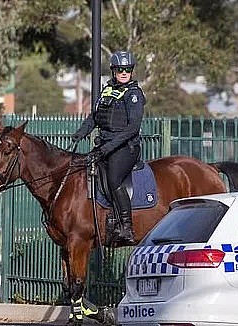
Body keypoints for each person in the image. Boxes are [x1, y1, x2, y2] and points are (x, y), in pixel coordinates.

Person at [70, 50, 145, 245]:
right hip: (105, 145)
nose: (123, 73)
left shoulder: (134, 94)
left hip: (125, 147)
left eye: (127, 69)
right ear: (113, 70)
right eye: (120, 69)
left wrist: (108, 147)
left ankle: (126, 227)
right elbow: (95, 117)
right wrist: (81, 133)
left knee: (114, 179)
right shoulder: (107, 91)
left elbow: (132, 128)